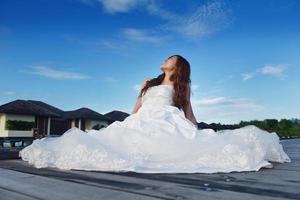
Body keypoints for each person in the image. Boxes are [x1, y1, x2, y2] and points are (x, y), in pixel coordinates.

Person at [19, 55, 291, 173]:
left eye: (170, 58)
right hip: (143, 119)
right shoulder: (149, 82)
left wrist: (199, 130)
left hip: (166, 121)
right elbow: (136, 107)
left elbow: (188, 112)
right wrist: (128, 121)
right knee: (111, 141)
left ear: (178, 65)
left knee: (179, 147)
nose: (165, 60)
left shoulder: (182, 86)